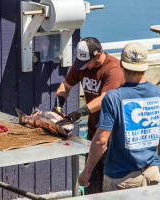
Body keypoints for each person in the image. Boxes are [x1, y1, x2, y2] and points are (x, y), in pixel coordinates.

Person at [78, 42, 160, 192]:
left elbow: (101, 141)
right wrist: (153, 159)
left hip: (121, 178)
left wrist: (87, 171)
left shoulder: (113, 97)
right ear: (145, 65)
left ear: (121, 64)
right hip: (151, 173)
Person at [53, 37, 124, 194]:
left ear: (98, 55)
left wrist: (77, 114)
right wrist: (57, 106)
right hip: (94, 130)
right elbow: (66, 85)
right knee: (90, 180)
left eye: (87, 63)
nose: (83, 67)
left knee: (111, 185)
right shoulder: (82, 64)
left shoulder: (113, 69)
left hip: (113, 134)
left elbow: (105, 99)